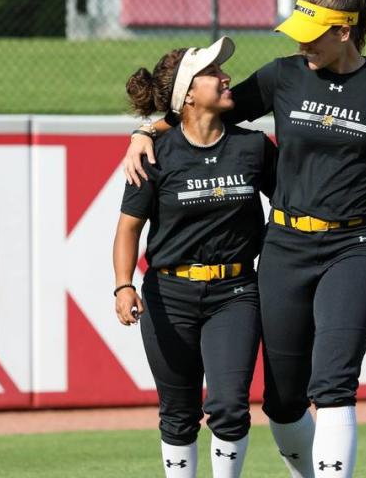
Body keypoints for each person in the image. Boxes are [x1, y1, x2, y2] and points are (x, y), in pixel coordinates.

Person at [124, 0, 366, 478]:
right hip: (284, 246)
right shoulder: (282, 75)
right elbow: (199, 113)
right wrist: (144, 129)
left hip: (356, 245)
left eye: (311, 34)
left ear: (344, 32)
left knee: (333, 382)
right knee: (282, 401)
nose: (301, 42)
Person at [112, 37, 277, 478]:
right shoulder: (152, 155)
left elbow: (294, 201)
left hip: (236, 292)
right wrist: (124, 285)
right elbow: (128, 228)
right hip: (169, 295)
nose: (226, 77)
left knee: (229, 406)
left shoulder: (254, 147)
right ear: (187, 93)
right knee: (179, 414)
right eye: (213, 73)